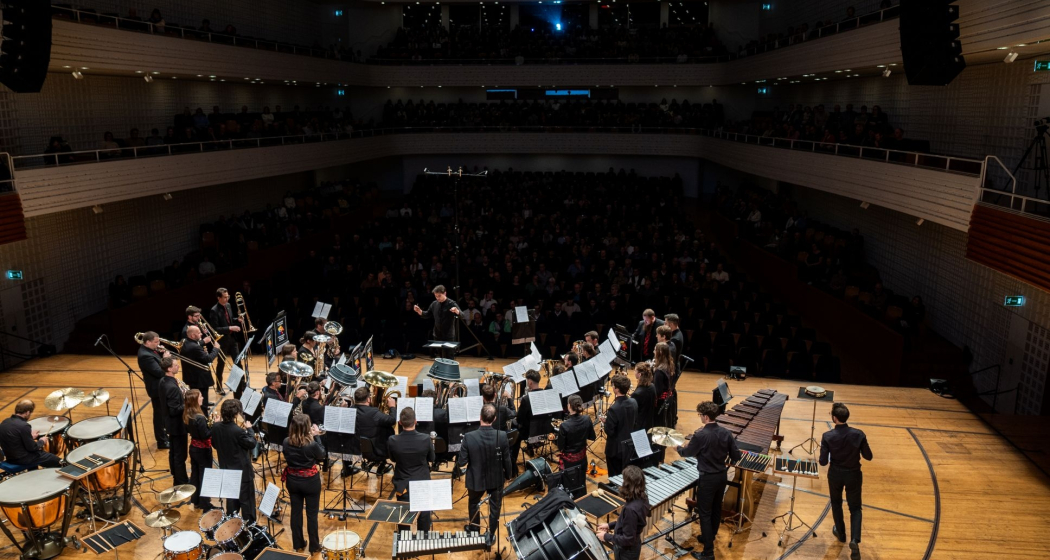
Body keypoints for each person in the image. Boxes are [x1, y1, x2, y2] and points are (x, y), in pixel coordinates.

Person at [675, 402, 741, 560]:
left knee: (704, 513)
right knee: (716, 509)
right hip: (721, 476)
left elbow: (688, 452)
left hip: (707, 478)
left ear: (705, 417)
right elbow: (736, 456)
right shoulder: (726, 433)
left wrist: (677, 448)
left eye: (700, 415)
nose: (700, 418)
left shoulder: (701, 435)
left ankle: (708, 553)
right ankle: (708, 537)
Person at [819, 404, 872, 560]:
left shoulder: (827, 436)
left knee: (836, 503)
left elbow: (822, 462)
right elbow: (869, 456)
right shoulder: (859, 434)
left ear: (834, 418)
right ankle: (855, 540)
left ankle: (841, 534)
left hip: (835, 474)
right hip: (854, 474)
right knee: (855, 508)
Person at [457, 404, 513, 546]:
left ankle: (474, 530)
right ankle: (491, 535)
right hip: (496, 478)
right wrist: (509, 476)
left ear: (480, 417)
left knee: (474, 503)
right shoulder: (502, 435)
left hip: (476, 478)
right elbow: (507, 459)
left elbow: (461, 462)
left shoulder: (469, 437)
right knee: (495, 507)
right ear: (494, 419)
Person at [283, 413, 325, 554]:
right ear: (306, 427)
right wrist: (317, 435)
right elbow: (322, 455)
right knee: (311, 515)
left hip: (293, 481)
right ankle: (314, 546)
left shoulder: (286, 441)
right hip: (310, 482)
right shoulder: (311, 444)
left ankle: (298, 543)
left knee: (296, 513)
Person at [387, 407, 435, 532]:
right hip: (422, 482)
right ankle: (423, 540)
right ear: (415, 421)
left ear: (400, 423)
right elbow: (432, 458)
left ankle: (404, 544)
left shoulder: (392, 440)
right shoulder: (425, 439)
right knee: (424, 516)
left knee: (403, 516)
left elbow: (393, 458)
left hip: (403, 484)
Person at [211, 399, 257, 523]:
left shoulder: (215, 427)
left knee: (231, 503)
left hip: (226, 471)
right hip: (242, 473)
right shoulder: (238, 431)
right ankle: (250, 531)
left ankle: (231, 530)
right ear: (236, 414)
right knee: (247, 504)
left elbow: (215, 444)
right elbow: (252, 443)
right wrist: (250, 429)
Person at [596, 465, 650, 560]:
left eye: (624, 481)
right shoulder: (643, 497)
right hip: (631, 547)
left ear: (628, 485)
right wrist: (609, 525)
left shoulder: (631, 509)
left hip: (626, 552)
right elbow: (627, 523)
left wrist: (606, 536)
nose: (622, 483)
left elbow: (628, 539)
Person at [553, 395, 595, 497]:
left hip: (569, 463)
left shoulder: (565, 425)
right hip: (582, 459)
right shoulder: (587, 419)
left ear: (569, 406)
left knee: (569, 486)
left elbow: (560, 447)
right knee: (581, 483)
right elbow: (592, 436)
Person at [0, 400, 62, 469]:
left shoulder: (5, 422)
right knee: (57, 461)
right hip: (23, 459)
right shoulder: (24, 426)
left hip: (10, 458)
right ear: (27, 412)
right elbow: (33, 448)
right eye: (30, 413)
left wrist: (30, 437)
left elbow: (14, 439)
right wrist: (42, 441)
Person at [137, 331, 171, 449]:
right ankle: (161, 442)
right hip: (156, 389)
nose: (159, 344)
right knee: (159, 415)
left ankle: (166, 435)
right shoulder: (145, 355)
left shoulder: (150, 351)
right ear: (148, 342)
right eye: (156, 342)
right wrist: (166, 359)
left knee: (164, 413)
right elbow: (159, 372)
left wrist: (161, 356)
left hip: (161, 387)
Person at [158, 357, 189, 485]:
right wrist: (188, 403)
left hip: (170, 423)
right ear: (169, 369)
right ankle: (181, 481)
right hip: (177, 425)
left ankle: (176, 476)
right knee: (180, 455)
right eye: (176, 365)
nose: (178, 367)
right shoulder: (172, 387)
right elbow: (175, 410)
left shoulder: (163, 381)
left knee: (174, 452)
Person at [183, 389, 214, 510]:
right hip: (202, 450)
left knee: (195, 475)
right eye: (201, 396)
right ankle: (205, 504)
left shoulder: (187, 414)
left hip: (194, 448)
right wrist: (215, 425)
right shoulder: (199, 418)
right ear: (195, 400)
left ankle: (195, 500)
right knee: (205, 476)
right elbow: (205, 434)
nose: (203, 398)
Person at [210, 288, 243, 397]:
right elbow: (215, 328)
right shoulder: (214, 310)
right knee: (221, 364)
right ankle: (219, 387)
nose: (227, 299)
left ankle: (241, 384)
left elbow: (229, 319)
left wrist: (237, 320)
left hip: (232, 339)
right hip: (222, 340)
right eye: (224, 297)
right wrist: (230, 327)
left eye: (227, 296)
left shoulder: (228, 305)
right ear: (218, 298)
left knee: (238, 362)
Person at [353, 386, 397, 469]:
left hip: (356, 448)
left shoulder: (350, 410)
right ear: (368, 399)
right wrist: (392, 407)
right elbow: (392, 420)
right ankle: (381, 463)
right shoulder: (374, 412)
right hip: (375, 451)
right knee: (387, 429)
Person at [603, 375, 638, 477]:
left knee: (615, 477)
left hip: (615, 450)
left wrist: (606, 422)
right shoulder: (633, 402)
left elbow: (610, 431)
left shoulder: (614, 408)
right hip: (630, 446)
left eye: (613, 385)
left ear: (616, 389)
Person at [181, 325, 219, 414]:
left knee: (196, 402)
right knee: (202, 403)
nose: (201, 334)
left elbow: (195, 350)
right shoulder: (195, 347)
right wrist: (216, 349)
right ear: (192, 336)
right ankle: (204, 420)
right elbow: (208, 359)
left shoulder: (185, 342)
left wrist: (202, 345)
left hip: (192, 377)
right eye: (198, 333)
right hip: (200, 380)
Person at [511, 369, 541, 475]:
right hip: (543, 429)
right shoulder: (546, 394)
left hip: (528, 432)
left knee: (513, 432)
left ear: (530, 382)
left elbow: (519, 419)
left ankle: (512, 465)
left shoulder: (526, 399)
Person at [630, 363, 657, 464]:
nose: (634, 372)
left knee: (639, 453)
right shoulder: (652, 386)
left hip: (639, 425)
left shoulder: (638, 393)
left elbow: (633, 410)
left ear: (640, 374)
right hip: (649, 421)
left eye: (635, 370)